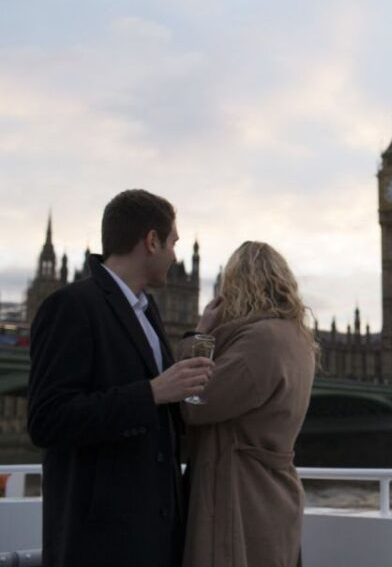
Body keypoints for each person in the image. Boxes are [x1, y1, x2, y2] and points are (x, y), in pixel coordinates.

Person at [27, 189, 213, 567]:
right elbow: (48, 420)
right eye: (173, 243)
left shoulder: (147, 310)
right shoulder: (71, 305)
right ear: (151, 241)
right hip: (100, 543)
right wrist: (151, 393)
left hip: (154, 538)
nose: (175, 256)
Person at [179, 241, 316, 567]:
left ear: (238, 285)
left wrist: (199, 335)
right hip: (274, 495)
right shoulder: (298, 338)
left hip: (243, 499)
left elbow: (193, 401)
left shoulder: (260, 341)